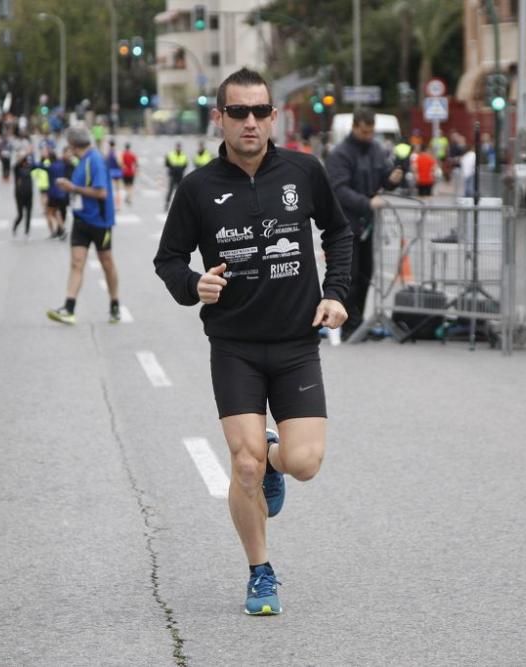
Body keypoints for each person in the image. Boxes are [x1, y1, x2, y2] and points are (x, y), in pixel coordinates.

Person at [153, 67, 352, 616]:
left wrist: (335, 292)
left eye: (260, 111)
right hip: (235, 345)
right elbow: (168, 260)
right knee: (243, 468)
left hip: (296, 344)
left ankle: (270, 453)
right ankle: (260, 572)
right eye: (237, 112)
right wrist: (195, 285)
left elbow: (337, 232)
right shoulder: (198, 188)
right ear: (219, 118)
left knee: (305, 463)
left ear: (273, 116)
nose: (250, 122)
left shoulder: (304, 172)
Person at [325, 108, 404, 340]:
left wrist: (392, 180)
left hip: (367, 225)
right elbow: (338, 190)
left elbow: (385, 177)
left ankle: (358, 320)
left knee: (366, 274)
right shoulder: (340, 154)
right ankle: (349, 323)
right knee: (349, 275)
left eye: (371, 132)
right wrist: (367, 203)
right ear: (354, 127)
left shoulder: (377, 151)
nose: (368, 136)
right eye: (364, 131)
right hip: (345, 225)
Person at [47, 125, 121, 325]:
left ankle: (114, 303)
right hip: (81, 220)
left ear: (72, 144)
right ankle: (69, 308)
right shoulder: (82, 161)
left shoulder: (95, 160)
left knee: (107, 263)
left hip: (99, 221)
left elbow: (101, 193)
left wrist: (73, 188)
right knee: (76, 262)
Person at [46, 147, 70, 240]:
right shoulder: (62, 165)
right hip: (62, 192)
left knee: (50, 212)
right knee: (56, 212)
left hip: (53, 193)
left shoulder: (50, 167)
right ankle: (60, 229)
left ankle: (61, 229)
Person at [12, 152, 35, 237]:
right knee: (21, 215)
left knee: (29, 213)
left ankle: (27, 231)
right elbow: (17, 164)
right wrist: (25, 154)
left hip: (29, 194)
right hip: (19, 194)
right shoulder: (16, 168)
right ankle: (15, 226)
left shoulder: (29, 166)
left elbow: (36, 165)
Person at [164, 142, 188, 211]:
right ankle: (167, 204)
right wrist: (173, 168)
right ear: (175, 147)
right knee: (170, 191)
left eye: (179, 147)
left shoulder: (184, 155)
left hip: (180, 176)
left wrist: (180, 169)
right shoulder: (170, 154)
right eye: (177, 147)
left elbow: (185, 165)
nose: (178, 148)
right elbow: (167, 164)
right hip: (173, 175)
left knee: (180, 192)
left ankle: (180, 205)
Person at [106, 139, 123, 208]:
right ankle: (118, 205)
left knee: (111, 190)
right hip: (117, 172)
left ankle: (111, 205)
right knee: (118, 190)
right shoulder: (117, 152)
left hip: (110, 172)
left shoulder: (108, 153)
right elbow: (119, 163)